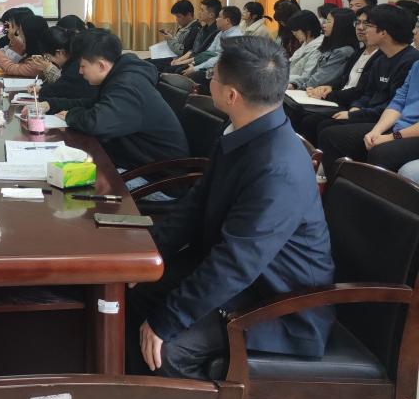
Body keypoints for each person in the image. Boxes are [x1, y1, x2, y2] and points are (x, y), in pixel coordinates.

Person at [126, 37, 334, 378]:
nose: (209, 80)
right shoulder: (244, 132)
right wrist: (150, 256)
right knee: (137, 289)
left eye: (214, 76)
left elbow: (237, 262)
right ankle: (131, 390)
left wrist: (168, 321)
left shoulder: (278, 168)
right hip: (242, 279)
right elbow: (195, 205)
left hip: (280, 304)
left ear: (231, 95)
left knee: (168, 349)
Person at [39, 30, 189, 171]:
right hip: (134, 161)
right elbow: (92, 103)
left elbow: (97, 123)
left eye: (83, 66)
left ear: (101, 65)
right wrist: (51, 104)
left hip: (156, 177)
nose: (80, 71)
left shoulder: (128, 85)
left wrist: (71, 116)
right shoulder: (119, 76)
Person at [306, 4, 419, 144]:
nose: (364, 29)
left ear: (383, 32)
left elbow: (393, 104)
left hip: (385, 119)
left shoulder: (409, 61)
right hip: (372, 114)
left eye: (369, 25)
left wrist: (356, 115)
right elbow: (367, 93)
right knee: (316, 121)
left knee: (328, 131)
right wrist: (356, 108)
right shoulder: (381, 59)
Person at [318, 16, 419, 172]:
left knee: (381, 152)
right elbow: (397, 102)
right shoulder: (416, 65)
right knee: (330, 134)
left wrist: (392, 137)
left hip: (410, 132)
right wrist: (376, 131)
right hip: (397, 125)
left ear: (384, 32)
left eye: (418, 28)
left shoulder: (409, 59)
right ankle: (336, 183)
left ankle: (362, 185)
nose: (414, 32)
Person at [288, 8, 357, 90]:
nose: (324, 25)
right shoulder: (329, 47)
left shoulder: (342, 52)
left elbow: (320, 79)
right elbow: (312, 75)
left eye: (328, 21)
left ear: (340, 25)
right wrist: (294, 84)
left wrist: (297, 87)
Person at [183, 5, 243, 85]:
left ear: (227, 21)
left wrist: (195, 68)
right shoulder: (221, 32)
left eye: (219, 17)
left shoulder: (235, 37)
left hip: (224, 71)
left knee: (192, 75)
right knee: (182, 69)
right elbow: (208, 53)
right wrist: (193, 64)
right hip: (212, 65)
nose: (216, 19)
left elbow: (219, 59)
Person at [0, 14, 51, 78]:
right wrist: (12, 37)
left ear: (29, 36)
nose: (18, 34)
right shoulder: (37, 51)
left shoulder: (38, 62)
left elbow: (10, 68)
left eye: (20, 32)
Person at [165, 0, 221, 73]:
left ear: (211, 15)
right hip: (192, 59)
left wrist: (181, 62)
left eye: (202, 10)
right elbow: (192, 50)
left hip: (200, 62)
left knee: (171, 70)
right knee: (167, 67)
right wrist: (179, 60)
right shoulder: (203, 29)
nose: (199, 12)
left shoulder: (215, 32)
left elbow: (204, 55)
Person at [285, 10, 325, 88]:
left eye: (296, 30)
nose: (294, 33)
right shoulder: (305, 44)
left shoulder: (318, 48)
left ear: (308, 30)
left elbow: (307, 76)